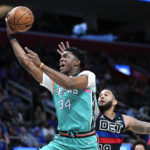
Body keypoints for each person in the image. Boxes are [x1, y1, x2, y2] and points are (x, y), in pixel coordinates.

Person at [5, 14, 98, 150]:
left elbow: (70, 84)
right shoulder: (55, 82)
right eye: (61, 57)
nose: (61, 59)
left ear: (77, 62)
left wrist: (41, 65)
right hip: (61, 141)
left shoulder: (88, 76)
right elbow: (27, 64)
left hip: (86, 142)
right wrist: (11, 37)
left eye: (66, 57)